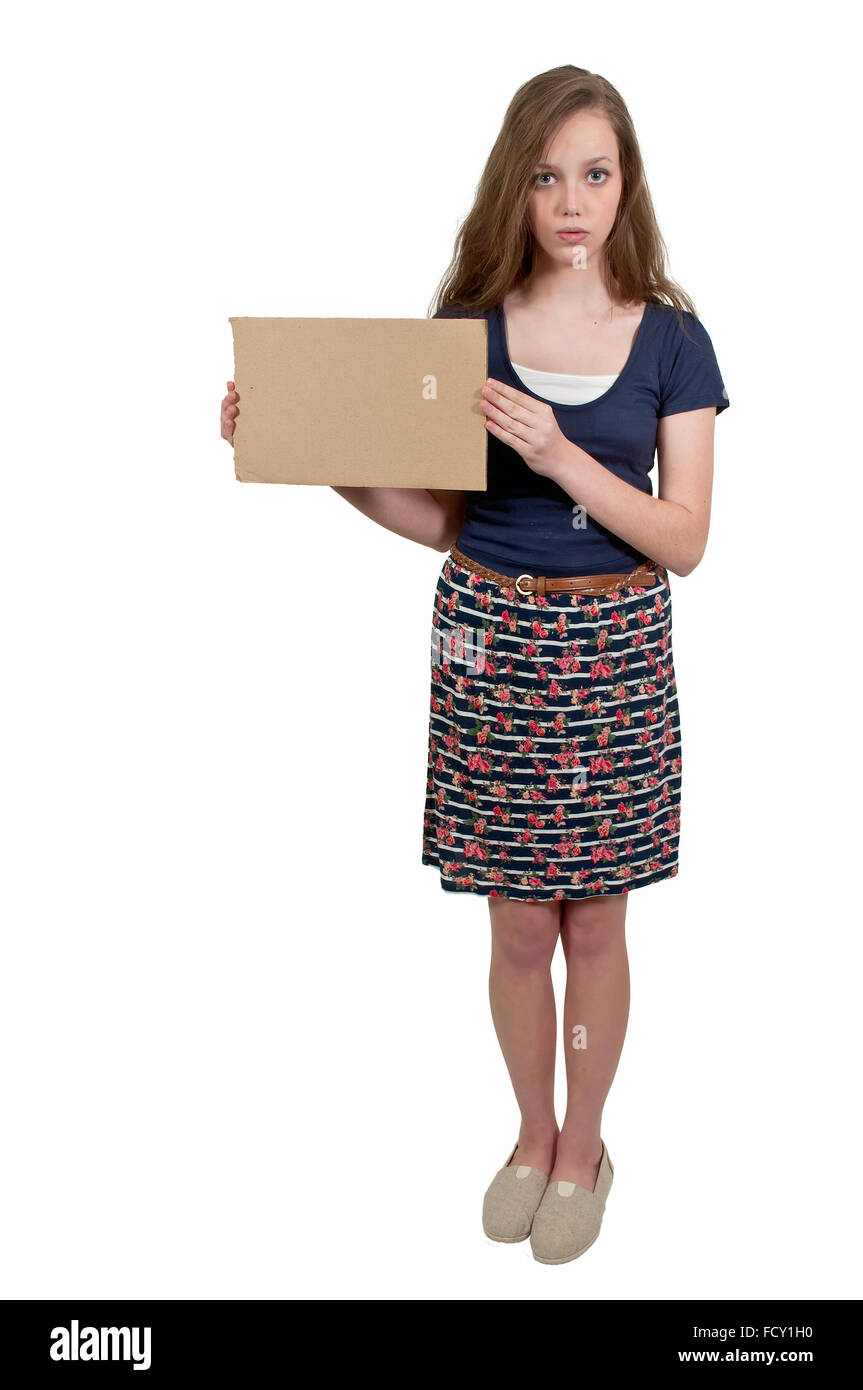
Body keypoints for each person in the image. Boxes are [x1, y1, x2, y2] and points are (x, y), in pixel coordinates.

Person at [220, 64, 730, 1266]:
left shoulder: (672, 340)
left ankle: (586, 1146)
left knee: (594, 925)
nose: (571, 200)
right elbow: (443, 518)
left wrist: (557, 453)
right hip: (489, 644)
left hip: (612, 651)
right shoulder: (467, 331)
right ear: (517, 182)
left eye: (594, 174)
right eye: (547, 174)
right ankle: (529, 1133)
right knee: (512, 927)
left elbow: (686, 538)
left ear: (625, 184)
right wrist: (308, 452)